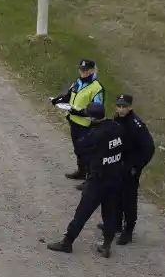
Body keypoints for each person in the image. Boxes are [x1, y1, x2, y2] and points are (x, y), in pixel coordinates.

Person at [45, 102, 126, 257]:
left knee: (82, 212)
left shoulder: (96, 135)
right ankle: (106, 245)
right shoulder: (117, 128)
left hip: (98, 180)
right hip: (115, 178)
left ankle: (67, 242)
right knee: (109, 213)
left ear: (92, 118)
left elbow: (81, 146)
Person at [50, 59, 105, 182]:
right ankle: (81, 172)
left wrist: (80, 112)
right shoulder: (77, 82)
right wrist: (57, 100)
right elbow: (68, 96)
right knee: (78, 149)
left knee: (87, 152)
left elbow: (98, 110)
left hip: (87, 125)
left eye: (85, 70)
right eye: (81, 69)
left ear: (92, 70)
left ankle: (90, 179)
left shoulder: (97, 88)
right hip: (74, 121)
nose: (82, 72)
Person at [114, 94, 154, 245]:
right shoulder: (117, 118)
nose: (121, 109)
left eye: (124, 106)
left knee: (129, 200)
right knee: (115, 195)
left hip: (130, 168)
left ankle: (128, 231)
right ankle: (116, 224)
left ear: (130, 107)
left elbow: (149, 149)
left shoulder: (136, 125)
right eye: (119, 106)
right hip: (118, 165)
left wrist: (136, 167)